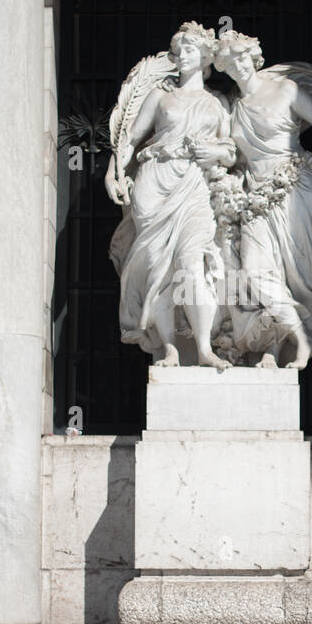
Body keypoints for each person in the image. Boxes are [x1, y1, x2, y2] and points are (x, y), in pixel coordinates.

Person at [105, 22, 235, 368]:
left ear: (205, 56)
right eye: (178, 51)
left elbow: (231, 151)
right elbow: (130, 139)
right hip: (156, 181)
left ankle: (205, 349)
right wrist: (112, 172)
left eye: (189, 50)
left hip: (195, 184)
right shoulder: (160, 97)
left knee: (192, 264)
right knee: (158, 270)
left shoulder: (217, 103)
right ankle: (169, 348)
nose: (181, 56)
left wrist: (216, 153)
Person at [213, 29, 312, 369]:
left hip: (294, 186)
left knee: (291, 275)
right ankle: (294, 337)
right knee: (256, 272)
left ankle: (276, 349)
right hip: (255, 193)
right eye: (227, 63)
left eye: (240, 57)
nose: (235, 65)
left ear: (253, 56)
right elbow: (227, 154)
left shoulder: (285, 90)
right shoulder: (234, 110)